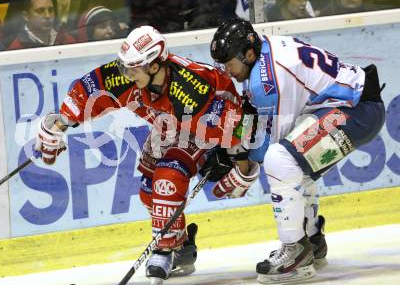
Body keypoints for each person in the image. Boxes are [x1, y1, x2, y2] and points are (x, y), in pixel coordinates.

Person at [35, 26, 260, 284]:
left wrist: (238, 163)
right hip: (168, 126)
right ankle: (182, 248)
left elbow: (236, 124)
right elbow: (92, 88)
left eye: (133, 69)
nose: (126, 74)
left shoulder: (190, 92)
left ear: (154, 67)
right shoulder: (132, 74)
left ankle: (164, 251)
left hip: (201, 126)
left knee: (168, 177)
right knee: (148, 190)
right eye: (125, 66)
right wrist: (59, 124)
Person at [209, 19, 385, 284]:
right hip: (347, 104)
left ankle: (296, 252)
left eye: (229, 64)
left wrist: (240, 163)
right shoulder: (261, 49)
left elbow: (268, 146)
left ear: (248, 54)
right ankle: (312, 237)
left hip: (356, 111)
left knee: (280, 160)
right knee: (294, 163)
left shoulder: (266, 82)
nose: (227, 70)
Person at [7, 0, 75, 50]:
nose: (47, 16)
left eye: (51, 10)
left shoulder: (65, 39)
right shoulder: (17, 48)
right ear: (26, 16)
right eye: (40, 11)